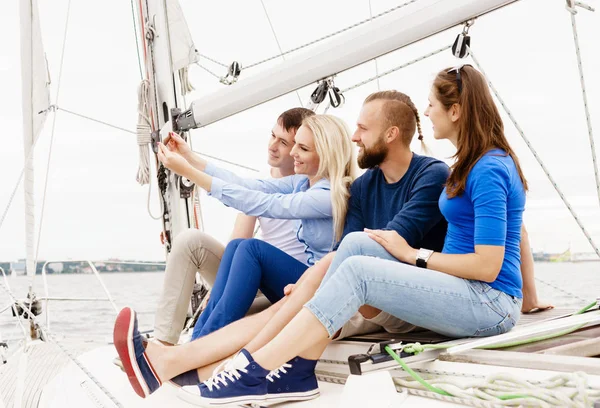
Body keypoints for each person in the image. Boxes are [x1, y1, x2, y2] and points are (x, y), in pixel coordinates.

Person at [173, 64, 536, 406]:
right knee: (355, 247)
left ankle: (253, 369)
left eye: (432, 104)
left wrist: (415, 256)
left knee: (356, 268)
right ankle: (291, 370)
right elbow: (511, 228)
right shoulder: (470, 164)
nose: (427, 113)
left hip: (489, 303)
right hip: (461, 289)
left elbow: (489, 266)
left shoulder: (486, 168)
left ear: (455, 111)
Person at [112, 90, 451, 399]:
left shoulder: (344, 190)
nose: (354, 135)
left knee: (253, 256)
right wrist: (193, 159)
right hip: (338, 283)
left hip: (384, 295)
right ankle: (176, 359)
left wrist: (189, 170)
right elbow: (253, 189)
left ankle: (192, 362)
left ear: (390, 134)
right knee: (249, 264)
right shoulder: (358, 187)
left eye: (300, 147)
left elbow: (379, 245)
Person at [153, 108, 315, 347]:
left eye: (283, 142)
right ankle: (164, 344)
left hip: (290, 284)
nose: (272, 146)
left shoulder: (313, 187)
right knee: (191, 241)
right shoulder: (264, 182)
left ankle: (196, 348)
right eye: (272, 136)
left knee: (252, 250)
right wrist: (189, 156)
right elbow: (238, 241)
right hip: (251, 278)